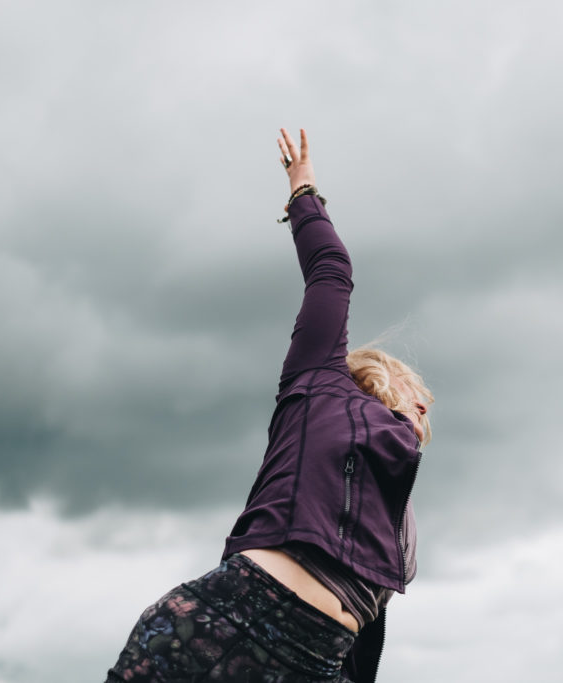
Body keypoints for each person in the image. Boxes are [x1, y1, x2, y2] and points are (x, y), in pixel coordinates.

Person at [105, 128, 433, 683]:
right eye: (417, 396)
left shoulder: (401, 524)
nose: (423, 414)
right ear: (383, 377)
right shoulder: (318, 384)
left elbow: (364, 641)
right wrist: (303, 190)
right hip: (211, 625)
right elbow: (332, 271)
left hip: (312, 662)